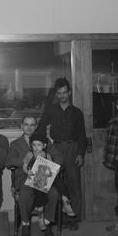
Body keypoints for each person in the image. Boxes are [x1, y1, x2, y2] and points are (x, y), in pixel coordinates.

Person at [36, 77, 86, 224]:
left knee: (74, 184)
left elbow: (82, 135)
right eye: (59, 93)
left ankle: (74, 218)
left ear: (69, 93)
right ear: (56, 94)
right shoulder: (50, 111)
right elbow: (40, 129)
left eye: (64, 92)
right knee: (50, 183)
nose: (62, 95)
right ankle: (52, 219)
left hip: (72, 149)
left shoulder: (77, 113)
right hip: (55, 149)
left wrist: (80, 153)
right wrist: (41, 148)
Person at [14, 130, 61, 236]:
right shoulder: (30, 154)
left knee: (53, 193)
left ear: (44, 145)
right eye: (34, 145)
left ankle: (47, 221)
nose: (36, 147)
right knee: (24, 193)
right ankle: (26, 223)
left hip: (43, 180)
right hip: (31, 179)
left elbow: (51, 166)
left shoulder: (47, 155)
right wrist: (27, 171)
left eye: (39, 145)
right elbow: (25, 166)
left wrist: (55, 170)